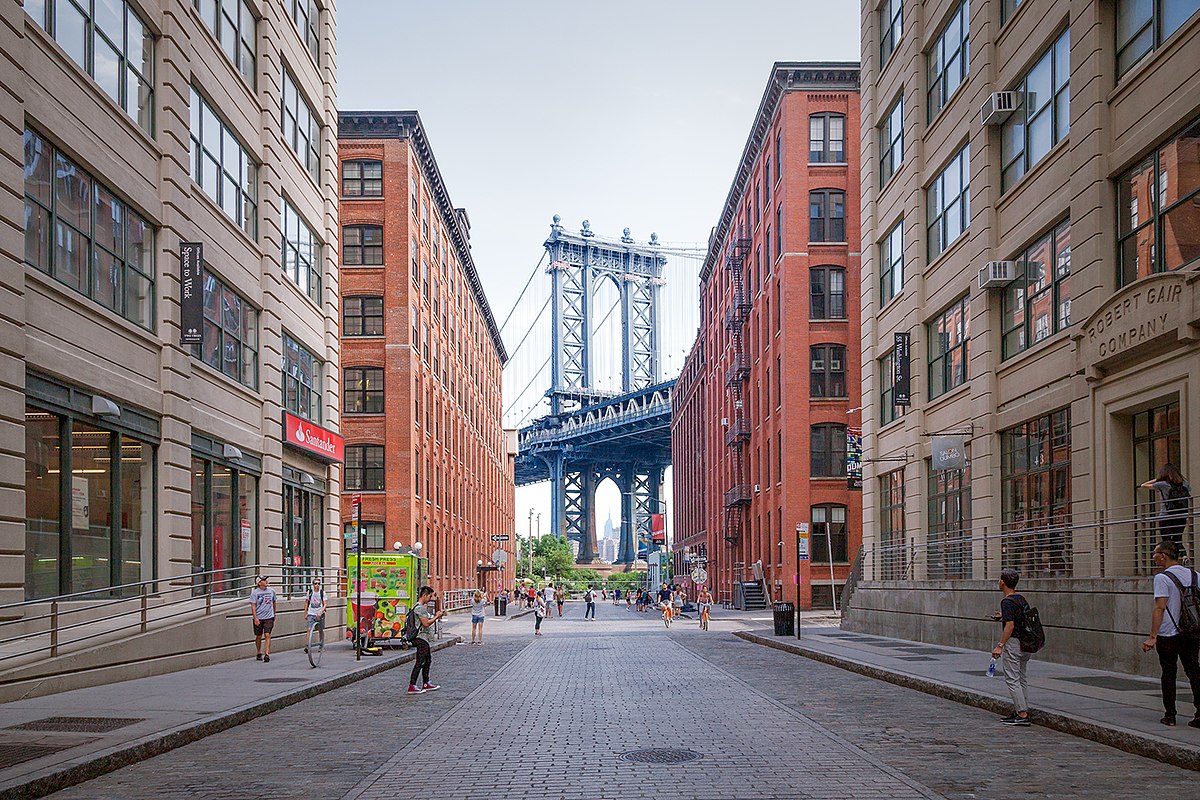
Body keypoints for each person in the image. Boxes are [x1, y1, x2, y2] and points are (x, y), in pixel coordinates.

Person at [1141, 540, 1200, 727]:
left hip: (1169, 633)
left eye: (1155, 553)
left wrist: (1152, 637)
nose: (1154, 557)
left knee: (1168, 673)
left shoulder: (1162, 578)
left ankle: (1170, 715)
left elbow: (1159, 607)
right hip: (1192, 632)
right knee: (1194, 671)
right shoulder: (1195, 575)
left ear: (1164, 556)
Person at [990, 569, 1032, 726]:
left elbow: (1010, 626)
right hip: (1026, 643)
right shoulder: (1020, 599)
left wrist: (999, 646)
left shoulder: (1007, 601)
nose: (999, 582)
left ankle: (1022, 714)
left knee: (1012, 679)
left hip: (1014, 643)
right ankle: (1022, 709)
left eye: (1000, 580)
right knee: (1021, 678)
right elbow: (1018, 618)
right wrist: (1003, 616)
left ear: (1003, 582)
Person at [1142, 464, 1192, 542]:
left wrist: (1157, 479)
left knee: (1166, 541)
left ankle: (1168, 554)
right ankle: (1181, 554)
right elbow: (1189, 490)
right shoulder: (1185, 483)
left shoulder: (1162, 484)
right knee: (1178, 540)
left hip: (1166, 516)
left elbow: (1143, 485)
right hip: (1181, 516)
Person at [408, 586, 444, 694]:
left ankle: (426, 682)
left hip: (423, 639)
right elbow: (426, 623)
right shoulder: (420, 608)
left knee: (427, 660)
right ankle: (412, 685)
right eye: (429, 596)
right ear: (424, 595)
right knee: (420, 661)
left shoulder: (417, 606)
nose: (430, 598)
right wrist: (437, 617)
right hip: (421, 638)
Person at [250, 575, 276, 663]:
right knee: (258, 636)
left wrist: (274, 613)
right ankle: (258, 652)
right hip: (259, 617)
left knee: (267, 635)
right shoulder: (255, 593)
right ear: (259, 583)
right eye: (264, 580)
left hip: (269, 616)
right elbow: (253, 606)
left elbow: (274, 602)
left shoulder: (272, 591)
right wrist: (255, 618)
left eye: (266, 580)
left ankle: (267, 654)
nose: (266, 582)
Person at [303, 576, 326, 653]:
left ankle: (321, 646)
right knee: (309, 629)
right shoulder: (310, 592)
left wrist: (320, 612)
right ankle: (307, 645)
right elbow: (306, 602)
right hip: (311, 613)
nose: (317, 585)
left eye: (319, 583)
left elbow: (325, 604)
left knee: (320, 630)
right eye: (315, 583)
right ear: (313, 585)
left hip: (320, 614)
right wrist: (305, 613)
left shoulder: (322, 593)